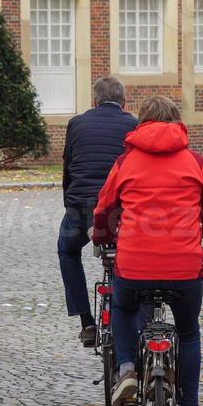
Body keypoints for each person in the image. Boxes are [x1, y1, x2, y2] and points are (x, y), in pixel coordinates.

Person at [92, 96, 203, 406]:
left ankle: (126, 369)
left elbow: (105, 209)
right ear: (178, 122)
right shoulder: (194, 162)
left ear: (142, 123)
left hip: (134, 264)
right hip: (183, 267)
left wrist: (106, 236)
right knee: (188, 333)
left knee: (123, 306)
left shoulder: (126, 162)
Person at [59, 76, 137, 346]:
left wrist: (70, 203)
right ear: (123, 102)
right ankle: (130, 315)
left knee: (67, 250)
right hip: (119, 209)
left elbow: (68, 167)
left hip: (81, 208)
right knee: (127, 255)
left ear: (93, 101)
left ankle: (86, 321)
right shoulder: (133, 124)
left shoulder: (76, 124)